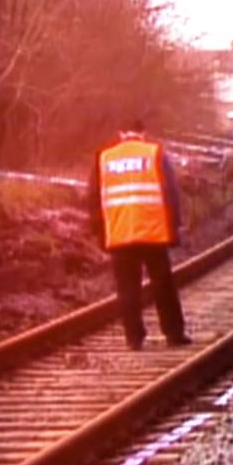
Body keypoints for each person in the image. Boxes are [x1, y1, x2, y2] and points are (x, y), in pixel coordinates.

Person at [88, 118, 191, 351]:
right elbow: (170, 193)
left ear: (120, 132)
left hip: (120, 233)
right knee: (163, 285)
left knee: (127, 289)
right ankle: (174, 333)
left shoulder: (104, 157)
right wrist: (174, 227)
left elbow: (94, 198)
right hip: (153, 232)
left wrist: (100, 233)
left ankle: (134, 339)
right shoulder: (154, 153)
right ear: (142, 132)